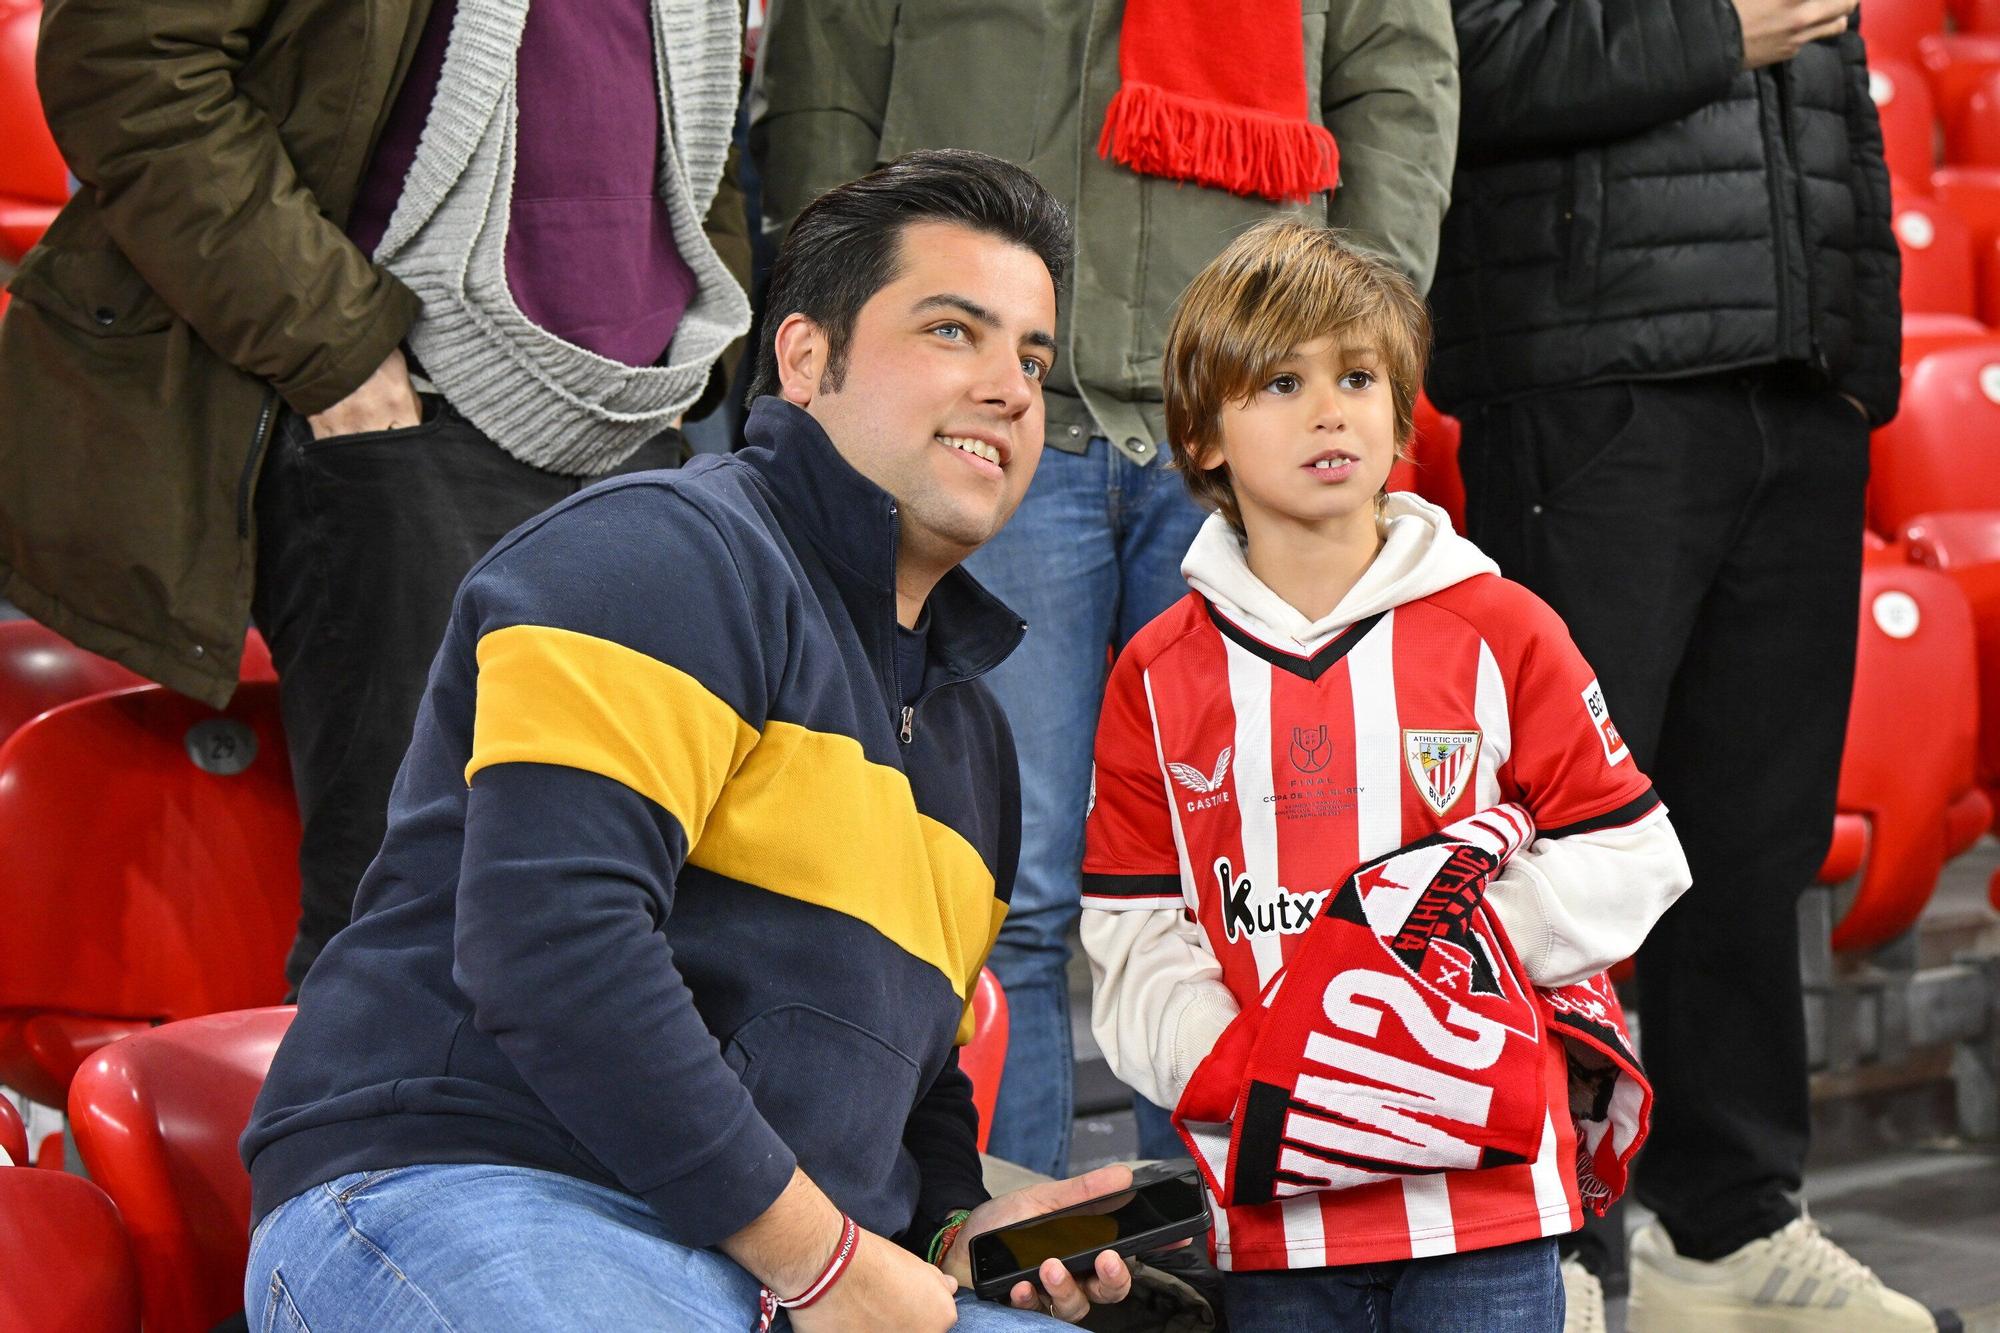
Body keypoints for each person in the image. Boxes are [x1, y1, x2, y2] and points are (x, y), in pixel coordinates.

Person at [240, 150, 1154, 1333]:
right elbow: (554, 949)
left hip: (782, 1265)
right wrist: (825, 1260)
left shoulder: (971, 735)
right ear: (804, 357)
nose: (1011, 390)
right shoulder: (653, 552)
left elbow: (913, 1088)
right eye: (950, 331)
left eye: (1031, 358)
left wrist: (955, 1235)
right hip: (478, 1186)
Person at [752, 0, 1461, 1176]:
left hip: (1241, 420)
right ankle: (1000, 1247)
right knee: (992, 890)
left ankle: (1230, 1251)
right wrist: (848, 337)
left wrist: (1340, 348)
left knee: (1258, 890)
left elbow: (1396, 76)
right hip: (997, 417)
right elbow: (829, 64)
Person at [0, 0, 754, 992]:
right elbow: (129, 65)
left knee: (625, 918)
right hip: (404, 411)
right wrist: (340, 350)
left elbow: (693, 102)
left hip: (635, 416)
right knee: (411, 938)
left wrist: (695, 324)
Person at [1078, 220, 1692, 1332]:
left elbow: (1635, 854)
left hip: (1489, 1205)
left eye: (1357, 377)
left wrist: (1459, 952)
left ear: (1401, 414)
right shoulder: (1157, 674)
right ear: (1200, 435)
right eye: (1281, 381)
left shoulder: (1503, 626)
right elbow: (1135, 926)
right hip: (1274, 1217)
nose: (1329, 410)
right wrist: (1235, 1066)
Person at [1429, 2, 1934, 1328]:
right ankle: (1539, 1249)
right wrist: (1715, 34)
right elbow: (1458, 57)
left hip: (1798, 374)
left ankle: (1726, 1229)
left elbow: (1837, 110)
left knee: (1751, 848)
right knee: (1552, 845)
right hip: (1590, 372)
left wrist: (1857, 360)